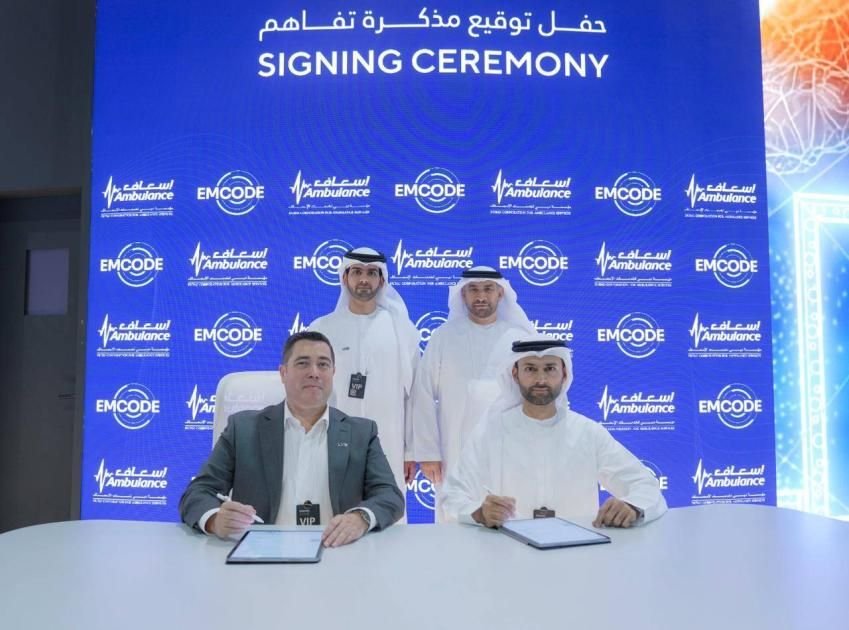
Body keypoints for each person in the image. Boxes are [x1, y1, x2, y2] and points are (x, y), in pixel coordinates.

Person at [179, 331, 404, 547]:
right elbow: (198, 492)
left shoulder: (361, 432)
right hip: (262, 556)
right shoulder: (243, 429)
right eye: (303, 363)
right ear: (283, 373)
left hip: (338, 553)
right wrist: (215, 520)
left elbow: (390, 496)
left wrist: (361, 518)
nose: (314, 372)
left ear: (333, 373)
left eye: (323, 364)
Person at [440, 338, 667, 528]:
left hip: (579, 552)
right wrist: (479, 512)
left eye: (550, 369)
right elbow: (452, 495)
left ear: (564, 374)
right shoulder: (492, 431)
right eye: (530, 369)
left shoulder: (587, 432)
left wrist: (632, 506)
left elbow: (644, 485)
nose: (541, 379)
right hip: (509, 552)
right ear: (515, 374)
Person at [411, 267, 535, 493]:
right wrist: (428, 452)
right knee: (456, 510)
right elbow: (423, 394)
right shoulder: (444, 336)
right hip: (455, 448)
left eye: (488, 289)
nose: (481, 296)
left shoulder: (519, 339)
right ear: (463, 294)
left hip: (509, 447)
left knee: (509, 508)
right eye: (473, 289)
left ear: (500, 293)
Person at [309, 247, 420, 495]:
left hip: (389, 440)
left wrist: (410, 450)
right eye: (357, 272)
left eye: (371, 273)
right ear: (344, 277)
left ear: (382, 280)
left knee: (388, 508)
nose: (364, 279)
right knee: (336, 507)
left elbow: (414, 395)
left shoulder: (401, 330)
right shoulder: (322, 329)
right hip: (332, 438)